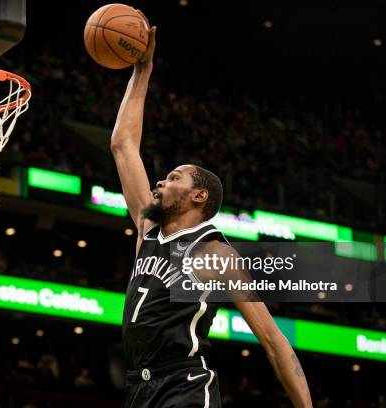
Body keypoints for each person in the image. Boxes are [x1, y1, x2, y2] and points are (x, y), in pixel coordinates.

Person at [110, 22, 313, 408]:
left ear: (199, 196)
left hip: (184, 386)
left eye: (173, 177)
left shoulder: (216, 254)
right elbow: (123, 145)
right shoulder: (148, 228)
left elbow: (272, 340)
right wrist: (142, 70)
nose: (159, 183)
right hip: (138, 389)